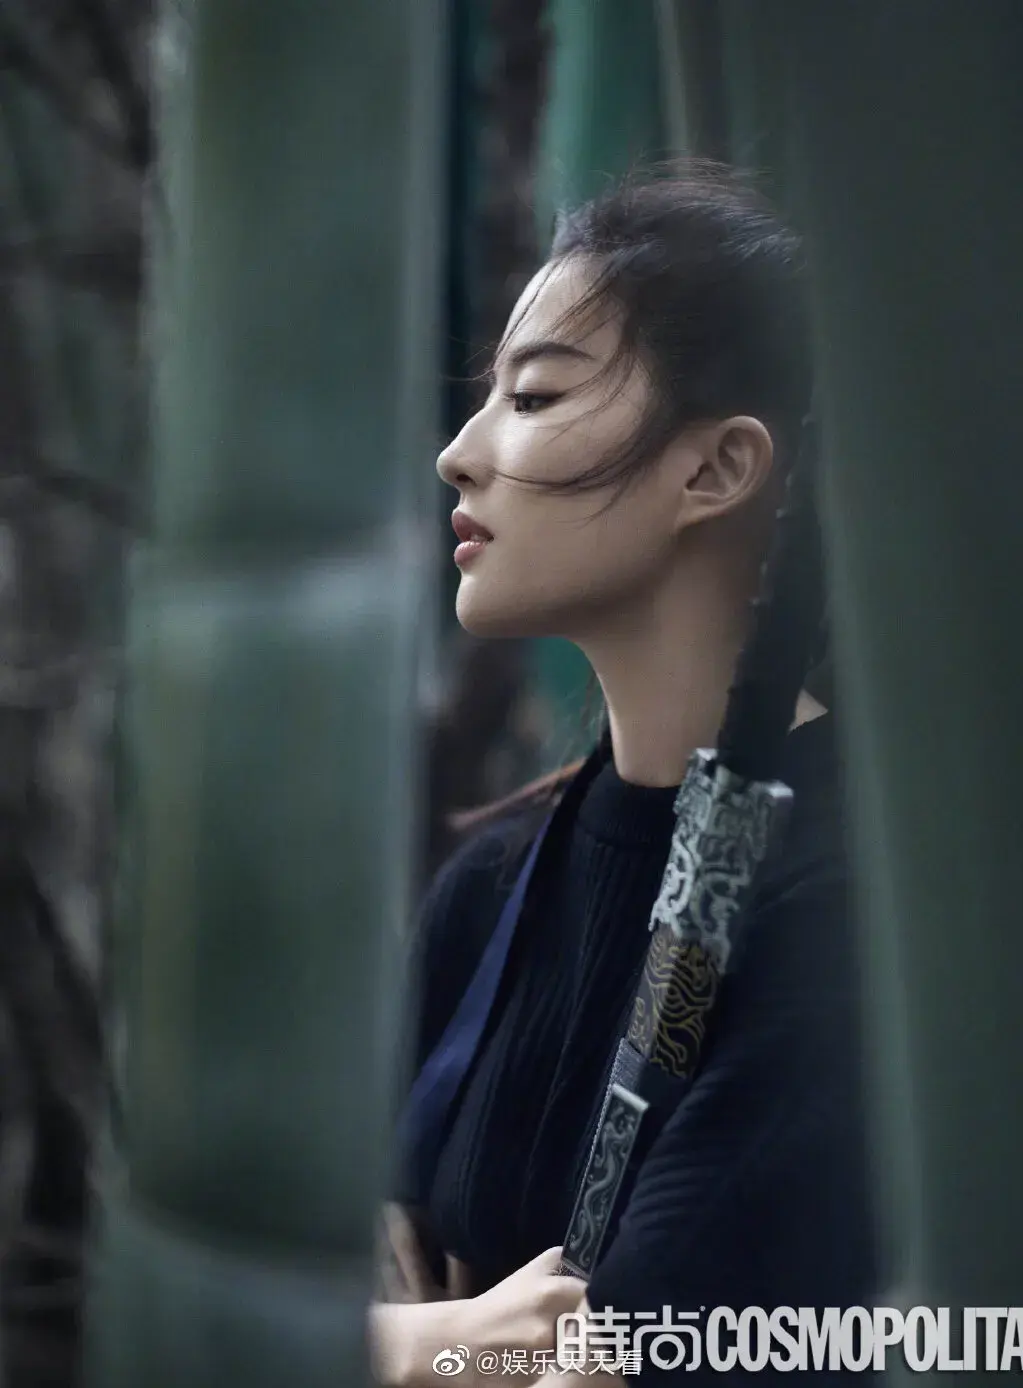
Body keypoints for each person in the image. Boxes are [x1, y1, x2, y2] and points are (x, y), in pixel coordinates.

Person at [370, 162, 878, 1385]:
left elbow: (625, 1356)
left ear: (717, 470)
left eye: (534, 396)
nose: (459, 455)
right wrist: (423, 1341)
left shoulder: (848, 906)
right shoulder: (492, 887)